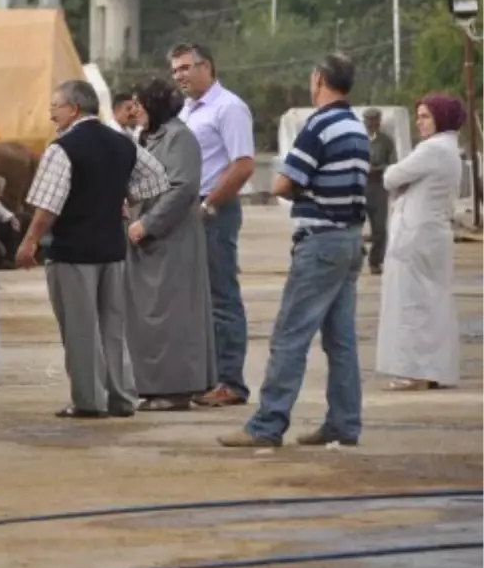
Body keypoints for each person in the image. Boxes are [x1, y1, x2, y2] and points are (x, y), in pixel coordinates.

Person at [219, 53, 369, 448]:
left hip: (319, 242)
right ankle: (344, 422)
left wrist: (297, 186)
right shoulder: (355, 126)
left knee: (290, 335)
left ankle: (267, 426)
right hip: (350, 239)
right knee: (341, 339)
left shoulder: (318, 125)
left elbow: (285, 183)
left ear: (318, 79)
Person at [15, 80, 170, 419]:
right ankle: (122, 398)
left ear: (73, 109)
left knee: (80, 329)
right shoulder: (122, 143)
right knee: (113, 329)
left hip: (72, 251)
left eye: (55, 106)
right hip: (112, 250)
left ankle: (89, 401)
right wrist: (122, 198)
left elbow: (48, 207)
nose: (51, 112)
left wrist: (29, 242)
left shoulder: (63, 148)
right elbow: (157, 178)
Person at [170, 42, 256, 408]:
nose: (181, 76)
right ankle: (205, 377)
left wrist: (208, 205)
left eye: (187, 68)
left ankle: (231, 382)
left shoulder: (229, 108)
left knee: (221, 299)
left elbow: (243, 165)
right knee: (196, 302)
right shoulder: (187, 111)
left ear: (209, 67)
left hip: (215, 213)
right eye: (175, 71)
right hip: (188, 213)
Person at [126, 77, 217, 412]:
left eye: (139, 102)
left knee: (174, 314)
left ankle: (177, 389)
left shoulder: (180, 138)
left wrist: (148, 224)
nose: (134, 109)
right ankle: (155, 386)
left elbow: (182, 188)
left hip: (171, 238)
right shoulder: (150, 138)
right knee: (152, 316)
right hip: (148, 240)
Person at [376, 95, 466, 392]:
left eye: (426, 116)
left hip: (415, 238)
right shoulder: (451, 149)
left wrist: (398, 178)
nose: (419, 122)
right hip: (433, 235)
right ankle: (433, 368)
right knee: (433, 303)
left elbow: (391, 176)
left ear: (441, 118)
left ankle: (414, 371)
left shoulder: (432, 149)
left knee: (411, 303)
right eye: (418, 116)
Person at [362, 108, 397, 275]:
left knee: (380, 229)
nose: (371, 123)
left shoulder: (386, 141)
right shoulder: (357, 139)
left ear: (379, 121)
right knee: (352, 226)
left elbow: (393, 164)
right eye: (368, 120)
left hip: (378, 187)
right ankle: (354, 257)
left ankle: (375, 261)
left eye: (374, 120)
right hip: (359, 186)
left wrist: (376, 168)